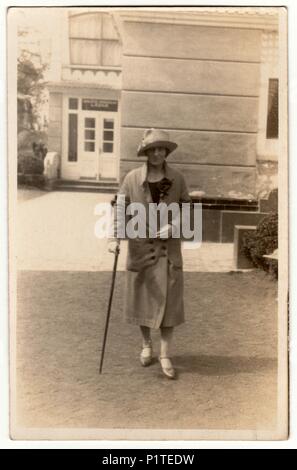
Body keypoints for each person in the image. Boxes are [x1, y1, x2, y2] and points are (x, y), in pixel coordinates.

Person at [108, 129, 192, 379]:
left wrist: (174, 226)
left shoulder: (177, 178)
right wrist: (114, 237)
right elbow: (120, 210)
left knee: (170, 304)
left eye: (161, 149)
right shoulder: (132, 178)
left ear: (166, 152)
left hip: (168, 250)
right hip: (140, 248)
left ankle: (165, 354)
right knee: (142, 299)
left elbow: (188, 209)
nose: (157, 153)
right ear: (145, 152)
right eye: (152, 149)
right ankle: (146, 345)